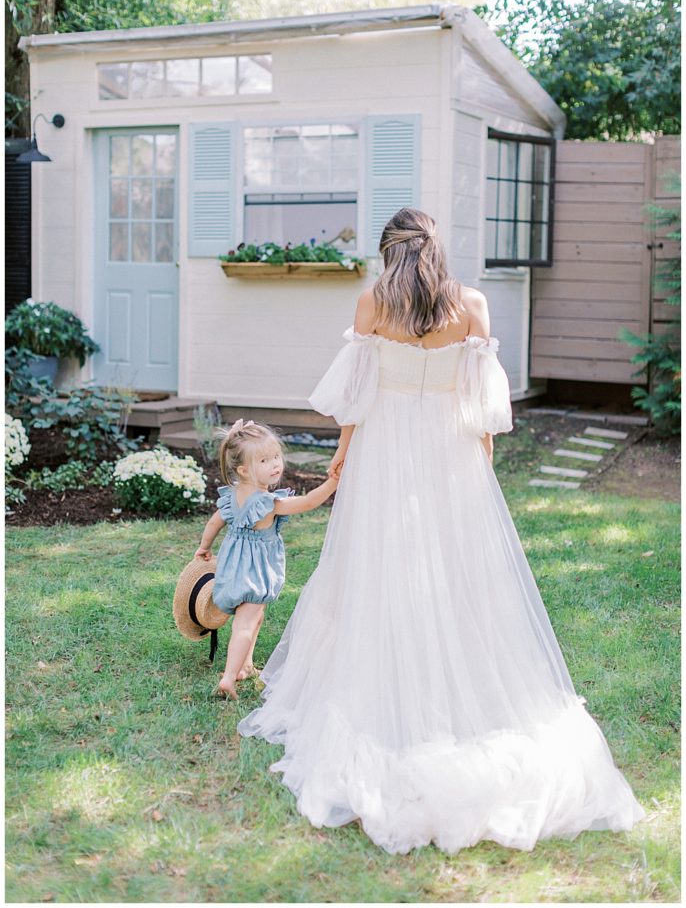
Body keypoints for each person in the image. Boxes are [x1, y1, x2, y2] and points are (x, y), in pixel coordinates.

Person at [237, 207, 647, 855]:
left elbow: (360, 391)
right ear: (436, 249)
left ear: (386, 252)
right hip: (450, 451)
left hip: (385, 448)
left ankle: (394, 669)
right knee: (457, 571)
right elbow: (483, 405)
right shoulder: (473, 304)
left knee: (379, 564)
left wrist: (344, 452)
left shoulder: (373, 303)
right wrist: (479, 462)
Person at [194, 418, 339, 700]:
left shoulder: (232, 497)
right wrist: (333, 482)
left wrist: (204, 547)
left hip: (233, 569)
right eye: (264, 460)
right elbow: (308, 502)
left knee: (255, 617)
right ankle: (228, 677)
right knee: (245, 624)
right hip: (255, 573)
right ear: (243, 469)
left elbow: (214, 522)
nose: (275, 464)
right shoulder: (268, 504)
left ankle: (245, 665)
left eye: (276, 456)